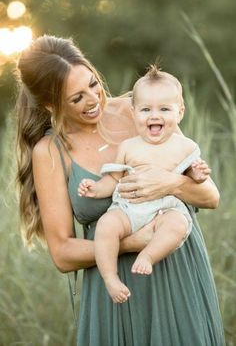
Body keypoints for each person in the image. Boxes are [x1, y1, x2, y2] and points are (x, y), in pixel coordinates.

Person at [15, 35, 225, 346]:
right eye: (76, 98)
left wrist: (172, 183)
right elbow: (62, 253)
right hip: (115, 290)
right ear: (50, 104)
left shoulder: (140, 111)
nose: (93, 99)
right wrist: (131, 243)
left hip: (178, 269)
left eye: (93, 84)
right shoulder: (50, 152)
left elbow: (210, 196)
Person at [78, 65, 211, 303]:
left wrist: (198, 174)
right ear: (133, 112)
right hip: (129, 209)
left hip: (166, 209)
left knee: (177, 224)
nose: (154, 116)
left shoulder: (185, 146)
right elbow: (114, 180)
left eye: (164, 109)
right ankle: (110, 278)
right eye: (146, 109)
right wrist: (95, 189)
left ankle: (149, 256)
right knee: (107, 225)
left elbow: (194, 177)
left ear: (180, 112)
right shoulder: (129, 146)